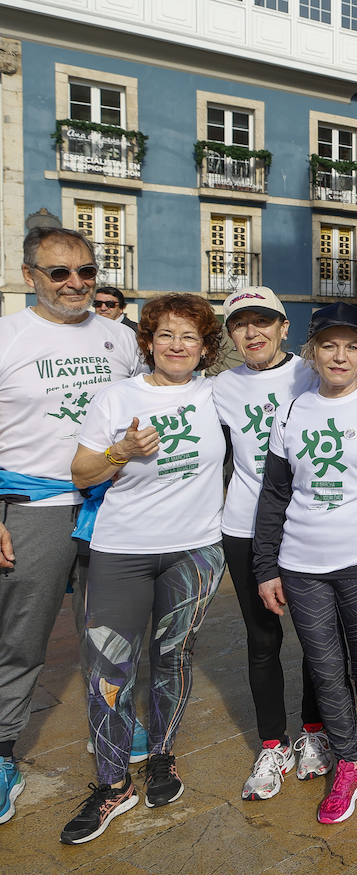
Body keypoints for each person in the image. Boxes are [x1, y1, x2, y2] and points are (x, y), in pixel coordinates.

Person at [60, 293, 228, 844]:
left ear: (204, 349)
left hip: (196, 550)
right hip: (121, 551)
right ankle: (112, 785)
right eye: (166, 335)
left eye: (190, 337)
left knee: (172, 658)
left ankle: (162, 755)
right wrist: (122, 451)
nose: (177, 346)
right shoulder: (116, 396)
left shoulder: (215, 393)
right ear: (148, 342)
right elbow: (82, 472)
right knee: (107, 668)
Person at [252, 302, 357, 825]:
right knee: (325, 672)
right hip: (301, 566)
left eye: (352, 346)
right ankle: (348, 762)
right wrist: (265, 566)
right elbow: (275, 496)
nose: (340, 356)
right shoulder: (291, 413)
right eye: (329, 346)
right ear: (312, 353)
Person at [0, 227, 141, 827]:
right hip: (34, 506)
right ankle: (4, 753)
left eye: (87, 271)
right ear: (30, 274)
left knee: (112, 628)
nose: (77, 283)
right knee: (21, 636)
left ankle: (114, 720)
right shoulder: (6, 337)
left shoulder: (120, 338)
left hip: (113, 503)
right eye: (60, 273)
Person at [211, 286, 332, 802]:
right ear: (231, 335)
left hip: (303, 523)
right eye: (241, 324)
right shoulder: (218, 387)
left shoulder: (310, 373)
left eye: (263, 322)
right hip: (243, 526)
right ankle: (272, 742)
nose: (252, 333)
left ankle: (313, 732)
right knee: (262, 639)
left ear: (285, 328)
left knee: (314, 636)